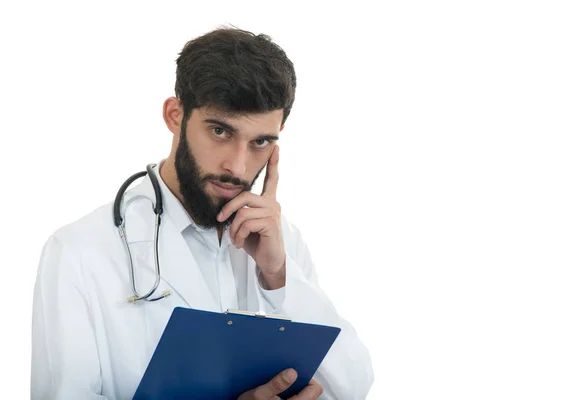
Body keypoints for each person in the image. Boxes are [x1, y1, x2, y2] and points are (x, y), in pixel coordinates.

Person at [31, 27, 374, 399]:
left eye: (260, 142)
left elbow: (350, 388)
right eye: (220, 131)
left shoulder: (280, 243)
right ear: (175, 115)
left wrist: (278, 277)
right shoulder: (79, 252)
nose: (238, 168)